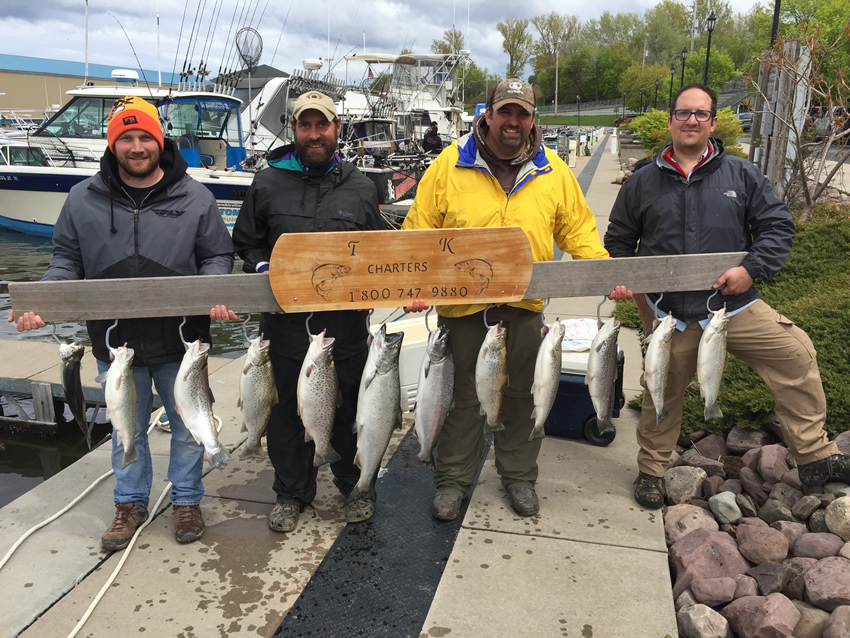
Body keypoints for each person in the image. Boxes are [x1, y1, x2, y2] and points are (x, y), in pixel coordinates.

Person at [604, 83, 850, 510]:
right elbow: (619, 241)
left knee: (796, 354)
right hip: (670, 314)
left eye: (701, 114)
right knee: (660, 389)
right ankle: (652, 470)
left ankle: (814, 457)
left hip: (734, 307)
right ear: (670, 120)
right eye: (683, 113)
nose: (692, 121)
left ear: (713, 122)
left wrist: (750, 269)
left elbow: (777, 228)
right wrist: (627, 282)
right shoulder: (642, 181)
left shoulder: (742, 174)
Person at [9, 96, 238, 549]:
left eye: (145, 137)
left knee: (190, 424)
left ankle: (188, 499)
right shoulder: (82, 199)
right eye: (127, 138)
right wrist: (44, 301)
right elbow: (66, 260)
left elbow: (217, 255)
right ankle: (129, 502)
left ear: (160, 140)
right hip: (116, 344)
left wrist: (215, 290)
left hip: (182, 342)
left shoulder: (195, 197)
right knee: (123, 427)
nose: (137, 147)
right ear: (114, 144)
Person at [401, 78, 630, 521]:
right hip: (463, 313)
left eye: (522, 113)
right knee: (461, 399)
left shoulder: (553, 170)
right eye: (505, 111)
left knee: (525, 397)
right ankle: (452, 479)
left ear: (532, 119)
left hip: (524, 312)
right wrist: (414, 283)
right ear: (487, 114)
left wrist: (604, 272)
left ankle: (519, 477)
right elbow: (418, 231)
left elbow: (578, 230)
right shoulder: (449, 165)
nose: (513, 121)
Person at [232, 90, 388, 533]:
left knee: (348, 407)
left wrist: (402, 287)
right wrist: (261, 264)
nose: (315, 134)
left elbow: (381, 256)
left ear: (338, 129)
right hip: (284, 326)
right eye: (306, 125)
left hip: (345, 327)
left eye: (323, 125)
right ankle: (292, 492)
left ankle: (355, 484)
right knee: (285, 412)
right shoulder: (266, 182)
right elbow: (245, 240)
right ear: (294, 130)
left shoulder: (361, 186)